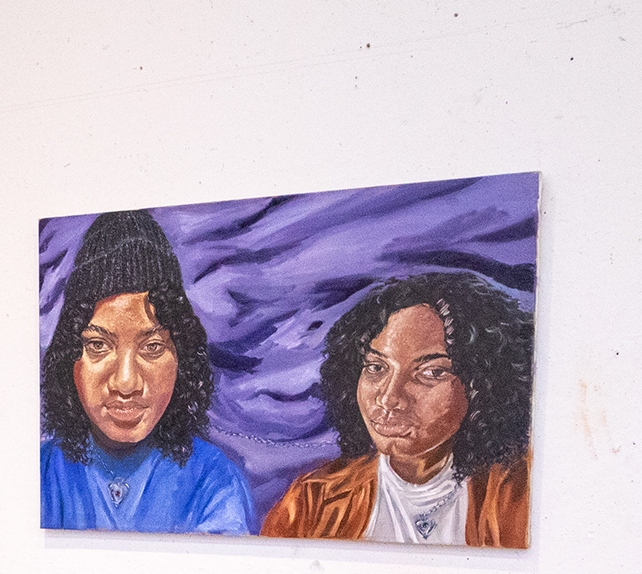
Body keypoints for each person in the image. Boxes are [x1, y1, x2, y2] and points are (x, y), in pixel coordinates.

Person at [259, 272, 532, 547]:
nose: (389, 398)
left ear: (482, 383)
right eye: (376, 368)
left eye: (431, 372)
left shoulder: (526, 495)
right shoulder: (312, 503)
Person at [38, 209, 251, 535]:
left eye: (152, 347)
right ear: (70, 357)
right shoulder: (39, 475)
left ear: (182, 359)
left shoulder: (214, 484)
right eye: (98, 346)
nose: (125, 383)